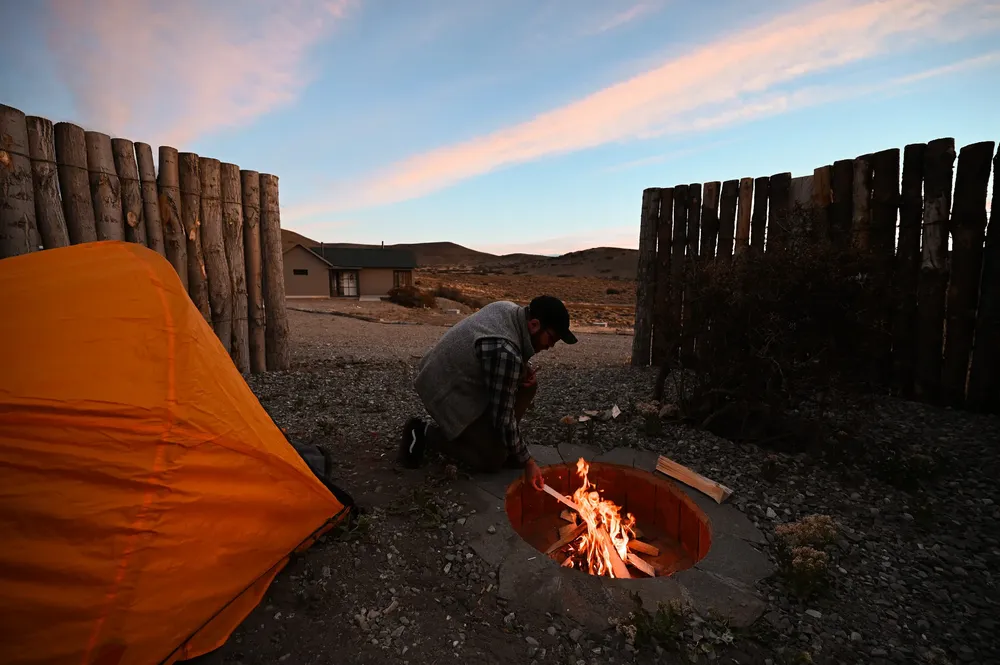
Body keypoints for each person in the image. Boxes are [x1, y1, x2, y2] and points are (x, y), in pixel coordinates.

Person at [397, 295, 577, 491]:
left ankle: (503, 443)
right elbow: (503, 416)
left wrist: (522, 368)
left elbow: (506, 355)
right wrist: (528, 462)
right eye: (551, 338)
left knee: (527, 385)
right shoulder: (504, 351)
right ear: (534, 325)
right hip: (441, 390)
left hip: (450, 375)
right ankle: (424, 432)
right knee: (491, 459)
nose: (550, 346)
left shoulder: (509, 309)